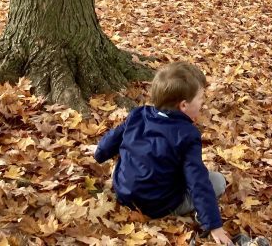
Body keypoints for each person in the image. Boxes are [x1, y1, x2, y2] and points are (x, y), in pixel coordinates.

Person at [93, 61, 233, 245]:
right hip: (159, 204)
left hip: (124, 191)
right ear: (184, 105)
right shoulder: (188, 135)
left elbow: (112, 139)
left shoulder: (138, 113)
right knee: (217, 181)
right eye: (200, 99)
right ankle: (200, 213)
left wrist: (99, 154)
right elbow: (197, 180)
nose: (203, 103)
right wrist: (214, 225)